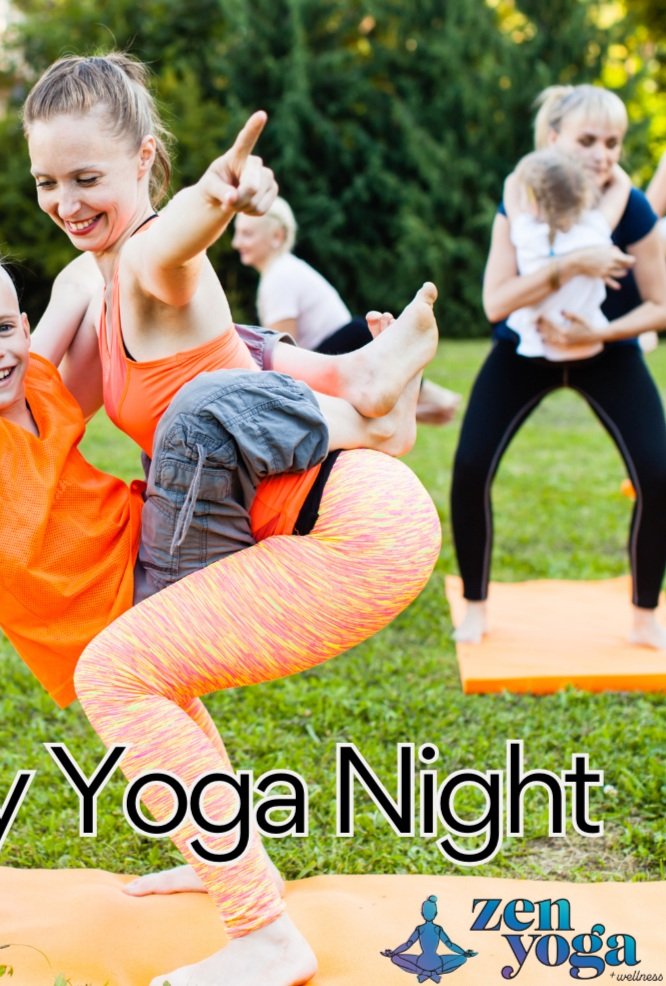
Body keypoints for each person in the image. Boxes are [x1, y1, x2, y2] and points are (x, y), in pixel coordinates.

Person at [0, 244, 440, 986]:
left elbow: (82, 276)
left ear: (24, 326)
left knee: (196, 409)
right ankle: (223, 862)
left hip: (161, 558)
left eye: (4, 328)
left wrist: (127, 233)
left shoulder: (38, 379)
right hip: (138, 587)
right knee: (168, 712)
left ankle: (266, 935)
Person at [22, 53, 441, 984]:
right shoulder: (100, 286)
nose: (65, 201)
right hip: (333, 512)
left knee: (116, 674)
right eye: (47, 181)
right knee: (151, 667)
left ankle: (266, 938)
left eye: (87, 178)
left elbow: (174, 244)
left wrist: (217, 194)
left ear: (144, 159)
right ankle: (222, 858)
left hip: (351, 531)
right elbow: (44, 409)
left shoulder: (150, 260)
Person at [450, 84, 666, 648]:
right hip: (524, 350)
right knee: (471, 466)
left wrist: (601, 332)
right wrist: (571, 265)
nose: (603, 154)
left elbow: (661, 304)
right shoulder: (521, 195)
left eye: (613, 143)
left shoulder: (632, 207)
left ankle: (645, 616)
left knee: (658, 473)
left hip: (606, 349)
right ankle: (475, 608)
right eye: (587, 140)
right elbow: (495, 302)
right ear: (553, 139)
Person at [231, 196, 461, 424]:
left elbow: (276, 358)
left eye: (247, 234)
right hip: (346, 344)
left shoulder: (279, 276)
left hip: (341, 348)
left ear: (277, 236)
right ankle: (422, 405)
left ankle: (427, 401)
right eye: (238, 233)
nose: (236, 243)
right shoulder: (285, 269)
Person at [503, 147, 630, 361]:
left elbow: (510, 186)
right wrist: (605, 160)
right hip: (588, 339)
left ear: (533, 201)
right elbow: (622, 185)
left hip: (540, 345)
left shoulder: (528, 235)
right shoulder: (595, 232)